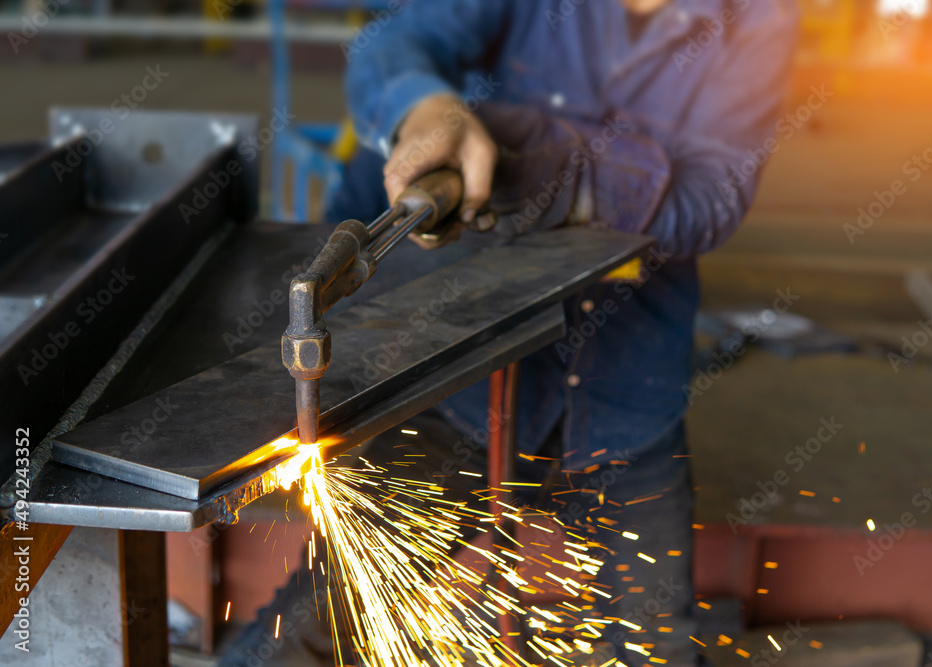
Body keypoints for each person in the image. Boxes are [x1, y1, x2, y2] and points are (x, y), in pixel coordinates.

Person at [220, 1, 798, 665]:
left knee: (654, 641)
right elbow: (393, 43)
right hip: (462, 374)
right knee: (321, 612)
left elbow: (711, 196)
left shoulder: (760, 18)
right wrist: (432, 112)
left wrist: (562, 173)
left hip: (627, 391)